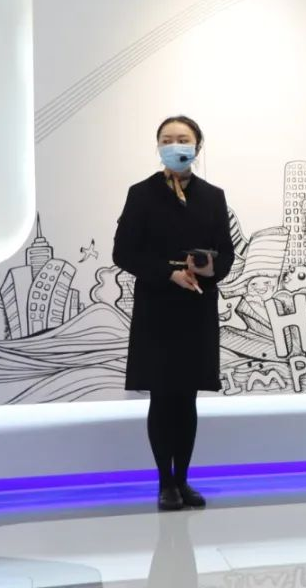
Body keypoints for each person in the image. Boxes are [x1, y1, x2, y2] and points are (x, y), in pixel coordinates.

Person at [113, 116, 234, 511]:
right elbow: (123, 253)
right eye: (167, 139)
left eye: (182, 138)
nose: (174, 145)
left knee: (187, 398)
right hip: (157, 308)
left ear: (197, 145)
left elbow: (226, 253)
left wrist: (208, 269)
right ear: (158, 146)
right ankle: (165, 483)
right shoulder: (141, 194)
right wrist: (168, 273)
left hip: (197, 308)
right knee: (162, 397)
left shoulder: (213, 196)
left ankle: (183, 479)